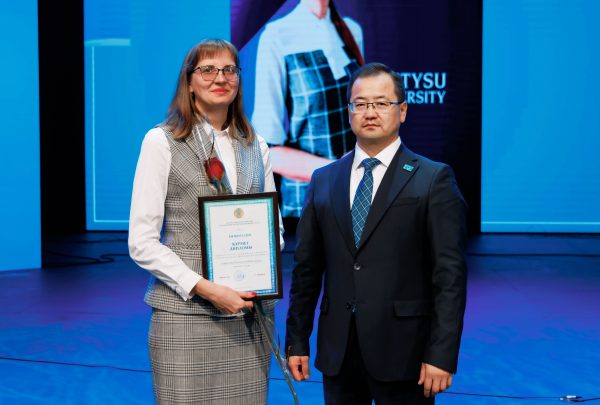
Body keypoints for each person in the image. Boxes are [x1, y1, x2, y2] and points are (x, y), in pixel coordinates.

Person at [285, 62, 467, 404]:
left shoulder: (433, 178)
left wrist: (441, 354)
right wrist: (297, 339)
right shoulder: (324, 180)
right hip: (338, 352)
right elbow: (307, 269)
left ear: (402, 110)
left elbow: (450, 277)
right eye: (361, 103)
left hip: (406, 353)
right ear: (349, 111)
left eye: (382, 103)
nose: (370, 112)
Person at [129, 39, 282, 404]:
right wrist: (206, 288)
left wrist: (256, 268)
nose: (220, 78)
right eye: (208, 69)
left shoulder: (256, 145)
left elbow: (273, 231)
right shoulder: (161, 141)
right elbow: (141, 242)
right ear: (189, 81)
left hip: (248, 317)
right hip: (186, 318)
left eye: (229, 70)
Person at [252, 0, 364, 217]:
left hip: (355, 198)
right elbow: (267, 151)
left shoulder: (352, 31)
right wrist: (338, 172)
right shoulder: (276, 36)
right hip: (306, 204)